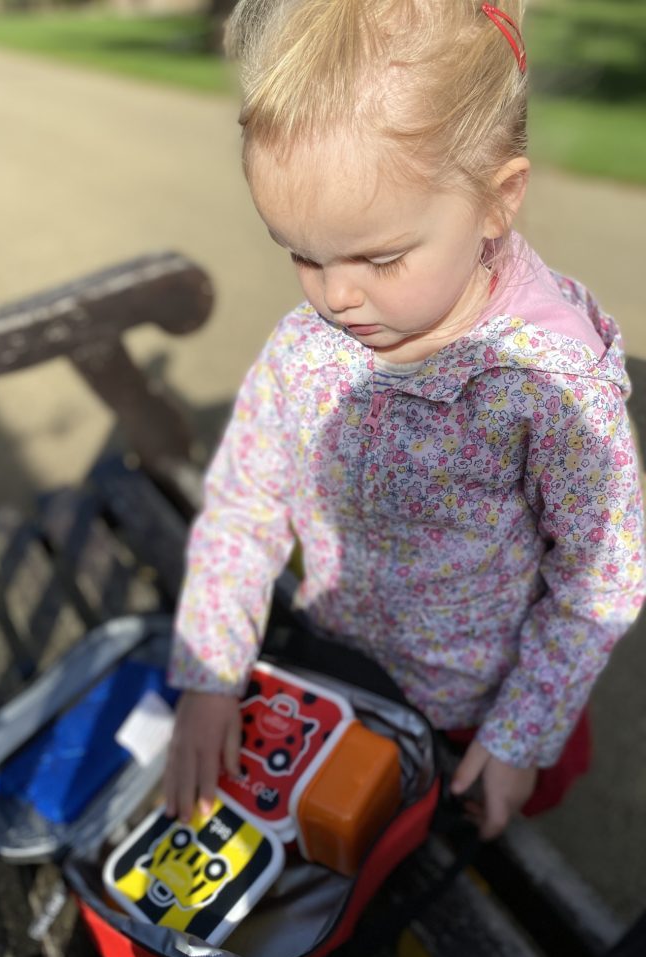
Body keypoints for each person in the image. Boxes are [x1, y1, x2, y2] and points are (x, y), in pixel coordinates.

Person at [163, 0, 645, 839]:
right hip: (343, 675)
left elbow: (602, 574)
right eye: (301, 254)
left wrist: (521, 732)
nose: (336, 297)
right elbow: (246, 503)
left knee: (469, 844)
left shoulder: (543, 381)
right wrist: (209, 673)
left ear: (498, 201)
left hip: (482, 704)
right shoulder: (307, 348)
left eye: (380, 258)